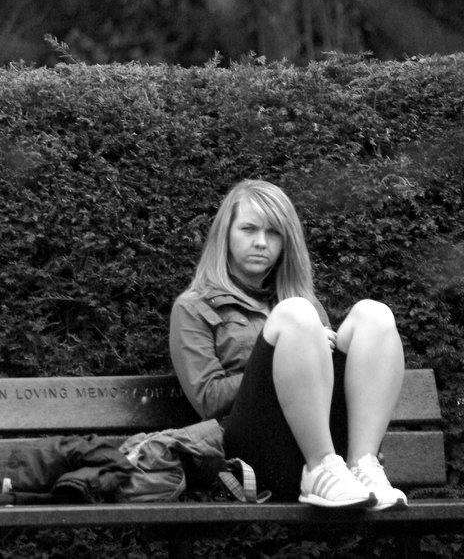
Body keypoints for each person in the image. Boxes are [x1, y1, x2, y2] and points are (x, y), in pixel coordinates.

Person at [169, 179, 408, 509]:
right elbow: (208, 399)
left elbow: (326, 390)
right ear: (225, 234)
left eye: (273, 233)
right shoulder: (193, 307)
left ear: (286, 241)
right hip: (254, 457)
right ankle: (320, 467)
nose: (261, 242)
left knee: (374, 315)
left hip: (323, 448)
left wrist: (315, 352)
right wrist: (275, 356)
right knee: (295, 313)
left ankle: (363, 465)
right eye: (248, 229)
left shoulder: (305, 304)